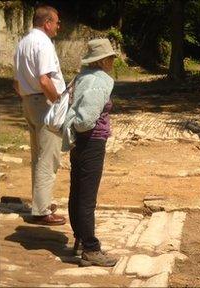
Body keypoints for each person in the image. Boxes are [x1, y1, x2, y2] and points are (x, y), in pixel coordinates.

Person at [64, 38, 118, 267]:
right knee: (87, 197)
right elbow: (86, 119)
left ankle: (80, 235)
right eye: (112, 57)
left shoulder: (82, 77)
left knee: (77, 190)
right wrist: (85, 129)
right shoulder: (99, 81)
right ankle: (91, 248)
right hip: (91, 140)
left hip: (79, 141)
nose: (114, 60)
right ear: (104, 60)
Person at [13, 5, 66, 225]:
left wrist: (28, 97)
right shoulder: (43, 43)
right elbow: (45, 80)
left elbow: (16, 82)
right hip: (44, 103)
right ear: (47, 23)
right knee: (49, 156)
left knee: (37, 155)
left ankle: (39, 202)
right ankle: (42, 210)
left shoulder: (23, 43)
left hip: (28, 101)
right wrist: (58, 101)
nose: (58, 26)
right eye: (56, 22)